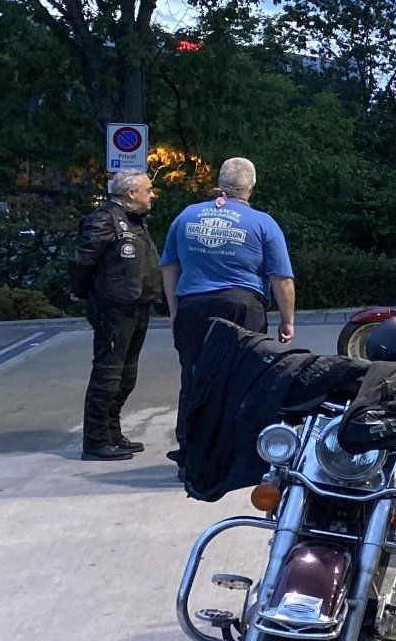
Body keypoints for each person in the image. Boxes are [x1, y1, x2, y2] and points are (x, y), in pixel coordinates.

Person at [161, 157, 295, 452]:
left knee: (193, 377)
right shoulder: (263, 222)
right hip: (242, 307)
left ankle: (190, 452)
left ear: (220, 182)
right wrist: (287, 320)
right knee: (242, 378)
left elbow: (169, 267)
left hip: (193, 308)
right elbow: (281, 278)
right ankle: (234, 451)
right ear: (251, 186)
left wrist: (174, 310)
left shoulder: (186, 216)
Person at [70, 170, 164, 460]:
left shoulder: (134, 220)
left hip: (138, 304)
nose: (152, 195)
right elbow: (83, 260)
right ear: (131, 193)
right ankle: (96, 440)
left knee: (126, 374)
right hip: (114, 307)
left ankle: (112, 432)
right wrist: (80, 291)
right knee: (108, 373)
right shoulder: (104, 219)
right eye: (148, 190)